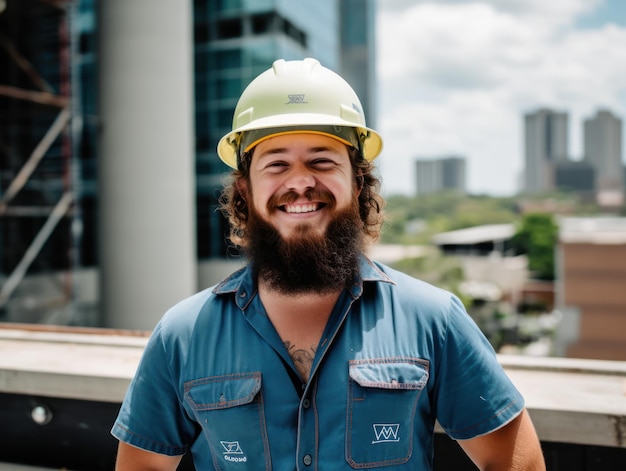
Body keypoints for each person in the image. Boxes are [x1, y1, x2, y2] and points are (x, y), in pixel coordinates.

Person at [111, 58, 545, 470]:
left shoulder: (434, 319)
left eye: (321, 161)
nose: (300, 181)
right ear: (244, 190)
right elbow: (143, 464)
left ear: (358, 183)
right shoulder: (183, 335)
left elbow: (511, 456)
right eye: (276, 164)